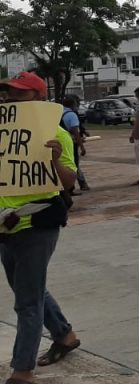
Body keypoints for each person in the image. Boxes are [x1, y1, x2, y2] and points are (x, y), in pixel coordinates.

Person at [0, 72, 81, 382]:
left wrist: (56, 159)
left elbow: (69, 182)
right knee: (28, 289)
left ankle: (22, 370)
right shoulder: (4, 132)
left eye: (19, 93)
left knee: (27, 301)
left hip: (36, 225)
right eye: (7, 92)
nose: (10, 98)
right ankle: (64, 334)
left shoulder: (57, 135)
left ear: (38, 97)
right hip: (5, 226)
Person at [59, 96, 89, 193]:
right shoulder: (72, 115)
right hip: (71, 143)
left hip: (61, 141)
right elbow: (75, 132)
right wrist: (82, 146)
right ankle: (70, 188)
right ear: (73, 105)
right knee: (73, 164)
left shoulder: (60, 113)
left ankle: (81, 183)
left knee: (66, 162)